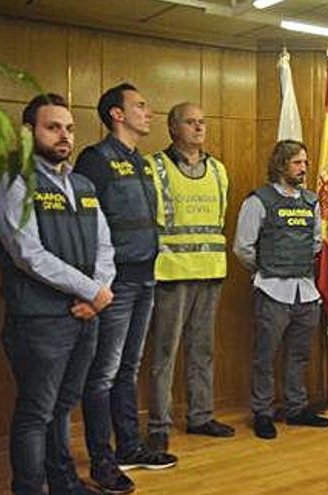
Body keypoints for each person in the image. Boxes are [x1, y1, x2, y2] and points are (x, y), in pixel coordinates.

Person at [0, 93, 115, 495]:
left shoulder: (82, 183)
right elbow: (28, 253)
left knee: (64, 406)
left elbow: (104, 244)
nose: (64, 135)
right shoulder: (15, 181)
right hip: (40, 321)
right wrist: (92, 290)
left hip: (84, 317)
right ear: (30, 132)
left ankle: (63, 482)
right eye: (53, 127)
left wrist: (99, 290)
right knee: (36, 412)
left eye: (69, 127)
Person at [75, 83, 176, 494]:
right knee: (103, 373)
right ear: (117, 114)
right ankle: (102, 460)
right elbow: (84, 227)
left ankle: (129, 446)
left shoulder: (139, 161)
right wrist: (94, 283)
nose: (148, 112)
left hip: (145, 274)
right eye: (140, 106)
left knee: (127, 369)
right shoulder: (95, 160)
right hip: (113, 282)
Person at [145, 102, 234, 454]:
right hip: (171, 273)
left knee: (203, 349)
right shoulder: (155, 167)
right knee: (165, 352)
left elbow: (220, 217)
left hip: (211, 270)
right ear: (172, 128)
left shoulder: (218, 170)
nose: (198, 128)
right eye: (190, 122)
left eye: (202, 122)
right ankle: (158, 424)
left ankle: (200, 415)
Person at [233, 139, 328, 439]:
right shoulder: (259, 200)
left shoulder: (311, 201)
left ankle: (296, 408)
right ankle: (262, 412)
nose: (304, 168)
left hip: (306, 291)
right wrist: (267, 270)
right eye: (297, 163)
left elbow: (316, 241)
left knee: (299, 354)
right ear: (280, 165)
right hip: (272, 291)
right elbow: (243, 247)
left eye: (305, 162)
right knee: (265, 355)